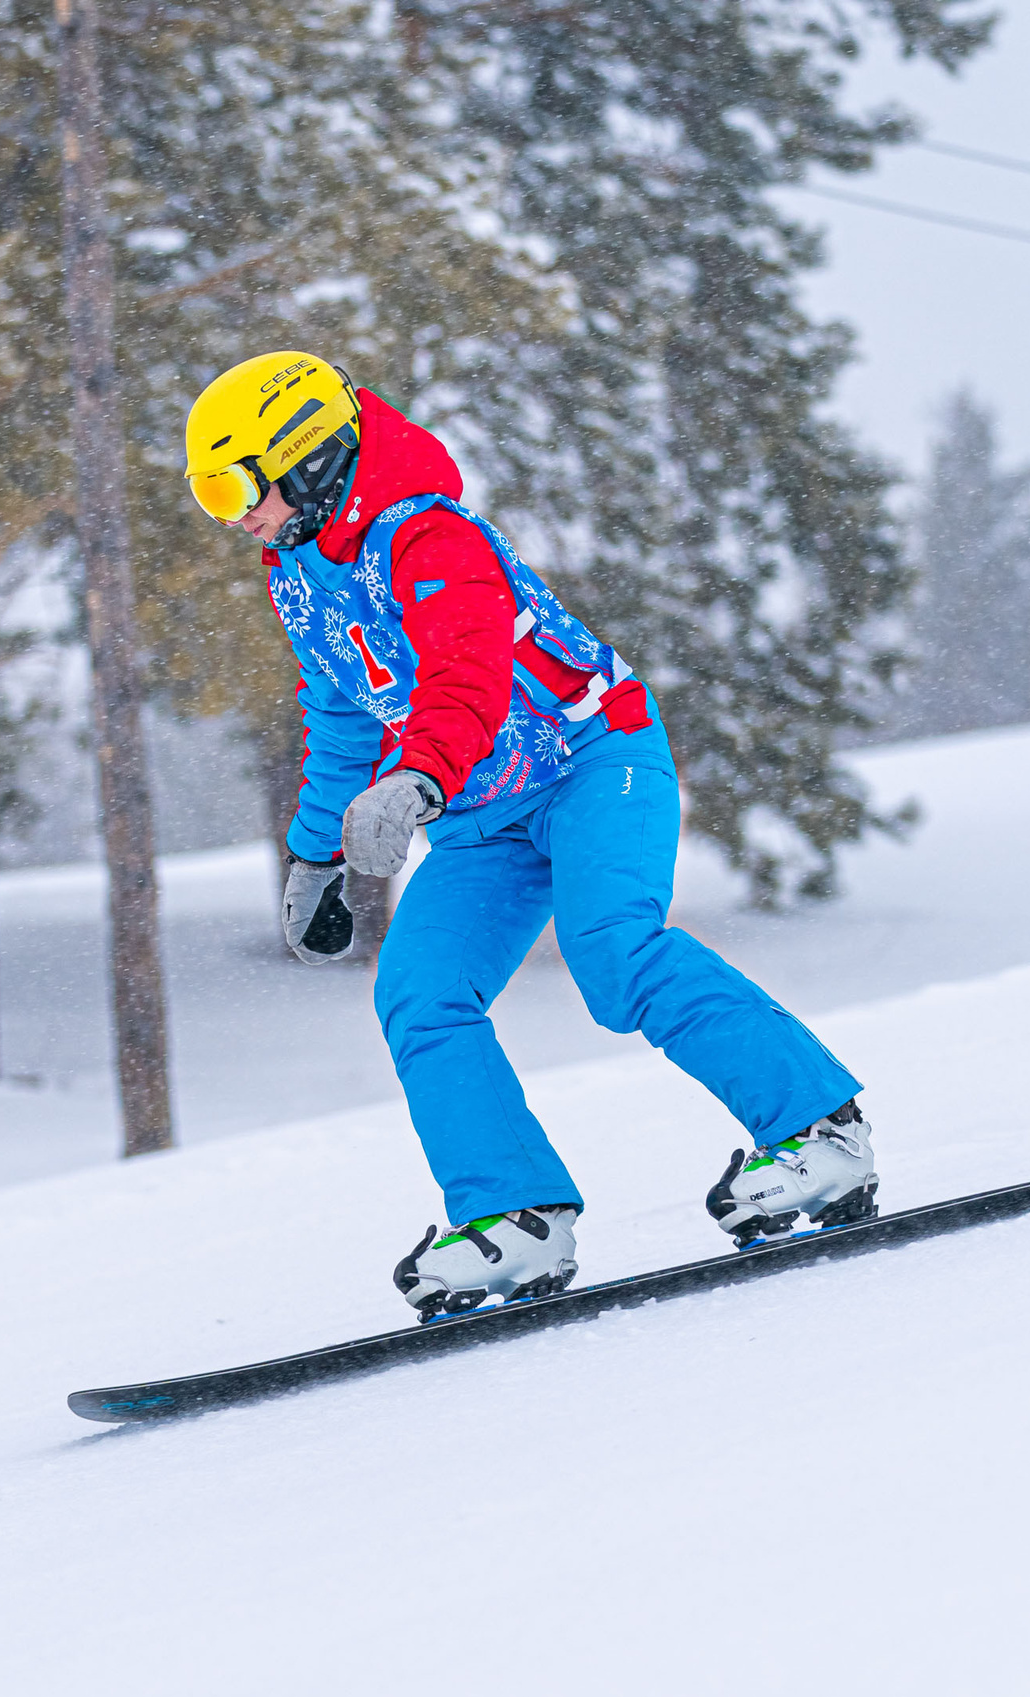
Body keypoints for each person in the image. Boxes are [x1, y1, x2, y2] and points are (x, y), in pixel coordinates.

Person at [183, 351, 877, 1320]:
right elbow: (340, 714)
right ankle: (514, 1215)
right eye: (207, 498)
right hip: (482, 819)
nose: (229, 517)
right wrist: (316, 853)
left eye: (231, 488)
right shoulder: (296, 572)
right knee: (420, 991)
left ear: (305, 459)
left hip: (592, 760)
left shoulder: (430, 537)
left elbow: (465, 678)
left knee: (612, 954)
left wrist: (418, 778)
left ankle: (820, 1132)